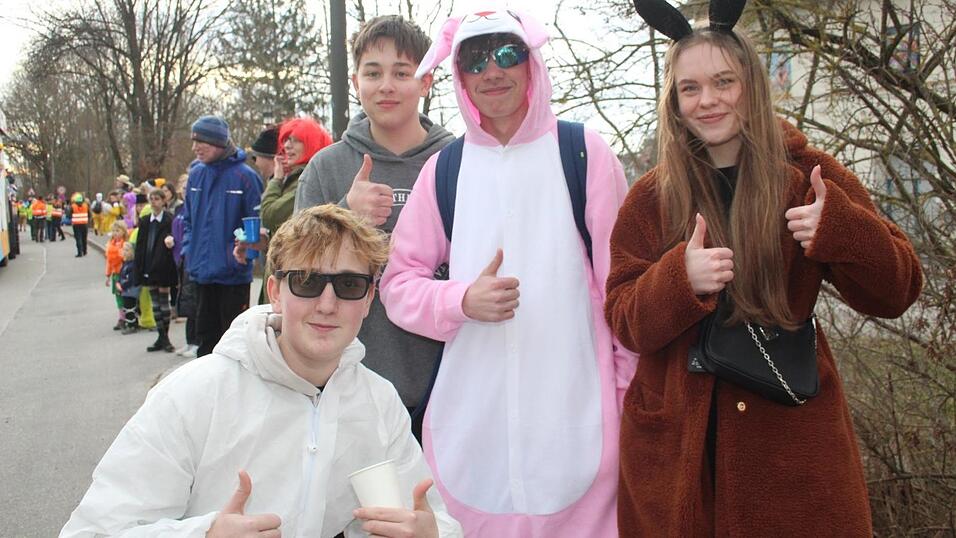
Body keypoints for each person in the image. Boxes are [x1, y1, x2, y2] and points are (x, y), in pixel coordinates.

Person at [605, 2, 924, 535]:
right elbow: (624, 319)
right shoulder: (652, 197)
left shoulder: (807, 176)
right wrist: (679, 280)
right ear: (674, 100)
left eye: (723, 81)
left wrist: (840, 230)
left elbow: (898, 290)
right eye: (690, 88)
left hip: (790, 449)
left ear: (750, 83)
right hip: (679, 452)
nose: (707, 100)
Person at [60, 205, 464, 538]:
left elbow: (429, 520)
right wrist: (204, 534)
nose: (327, 304)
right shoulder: (193, 394)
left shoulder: (377, 401)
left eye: (349, 285)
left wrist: (431, 534)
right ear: (275, 292)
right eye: (306, 282)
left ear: (368, 299)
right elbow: (91, 531)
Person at [379, 10, 634, 537]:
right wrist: (460, 301)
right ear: (459, 76)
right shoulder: (444, 170)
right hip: (471, 435)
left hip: (582, 430)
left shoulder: (584, 153)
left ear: (532, 61)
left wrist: (628, 406)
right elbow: (398, 285)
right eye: (474, 58)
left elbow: (624, 293)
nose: (492, 70)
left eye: (507, 53)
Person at [293, 14, 455, 430]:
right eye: (373, 72)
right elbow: (295, 276)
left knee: (433, 498)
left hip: (450, 382)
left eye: (402, 73)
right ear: (354, 82)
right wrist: (346, 215)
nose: (386, 85)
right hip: (349, 385)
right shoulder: (326, 167)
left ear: (426, 81)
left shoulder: (460, 161)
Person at [182, 115, 263, 356]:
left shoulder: (246, 177)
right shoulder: (195, 175)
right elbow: (187, 219)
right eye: (193, 141)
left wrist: (242, 257)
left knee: (234, 343)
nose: (195, 147)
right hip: (202, 275)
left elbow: (256, 224)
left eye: (201, 141)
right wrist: (190, 251)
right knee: (205, 342)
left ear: (218, 142)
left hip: (232, 277)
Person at [236, 117, 332, 303]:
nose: (287, 146)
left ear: (311, 143)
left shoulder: (308, 178)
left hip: (298, 280)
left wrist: (276, 180)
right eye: (286, 140)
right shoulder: (294, 178)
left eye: (295, 140)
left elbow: (270, 214)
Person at [134, 189, 179, 353]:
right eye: (151, 199)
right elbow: (141, 245)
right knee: (155, 303)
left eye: (157, 199)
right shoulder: (145, 220)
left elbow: (173, 241)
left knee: (163, 301)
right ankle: (160, 336)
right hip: (148, 265)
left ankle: (165, 336)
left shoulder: (168, 219)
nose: (154, 202)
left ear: (163, 201)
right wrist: (139, 267)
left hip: (164, 266)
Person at [105, 221, 128, 330]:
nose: (115, 233)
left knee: (126, 296)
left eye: (118, 231)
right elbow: (109, 262)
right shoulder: (111, 245)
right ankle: (121, 318)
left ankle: (129, 316)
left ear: (123, 232)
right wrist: (108, 275)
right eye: (113, 231)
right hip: (116, 274)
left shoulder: (125, 244)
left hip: (124, 274)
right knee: (118, 297)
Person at [116, 242, 141, 334]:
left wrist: (122, 286)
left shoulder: (132, 265)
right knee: (128, 307)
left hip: (130, 290)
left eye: (127, 250)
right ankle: (133, 322)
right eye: (123, 250)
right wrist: (118, 282)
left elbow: (131, 279)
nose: (124, 252)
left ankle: (131, 325)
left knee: (129, 307)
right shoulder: (125, 263)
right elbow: (121, 275)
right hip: (126, 290)